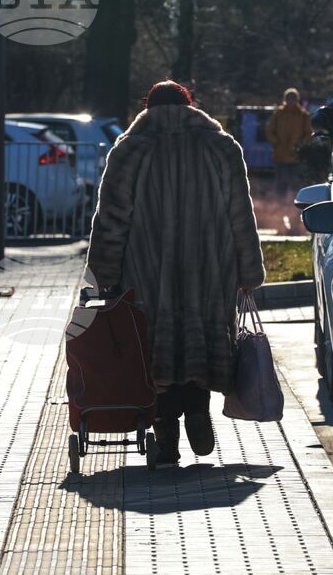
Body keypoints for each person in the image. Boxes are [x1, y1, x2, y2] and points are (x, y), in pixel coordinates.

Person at [85, 81, 266, 466]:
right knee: (200, 338)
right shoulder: (221, 147)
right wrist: (250, 267)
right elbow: (240, 214)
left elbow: (112, 218)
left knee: (154, 349)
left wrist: (103, 271)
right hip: (211, 269)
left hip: (145, 270)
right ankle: (198, 409)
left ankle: (165, 430)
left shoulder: (130, 149)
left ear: (146, 108)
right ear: (192, 106)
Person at [266, 88, 313, 192]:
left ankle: (296, 206)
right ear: (285, 99)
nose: (291, 100)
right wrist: (276, 143)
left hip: (296, 156)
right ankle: (280, 206)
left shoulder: (303, 114)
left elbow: (309, 133)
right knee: (280, 184)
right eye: (288, 98)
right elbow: (270, 130)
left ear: (297, 99)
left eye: (293, 98)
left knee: (296, 184)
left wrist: (300, 146)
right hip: (280, 155)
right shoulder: (278, 113)